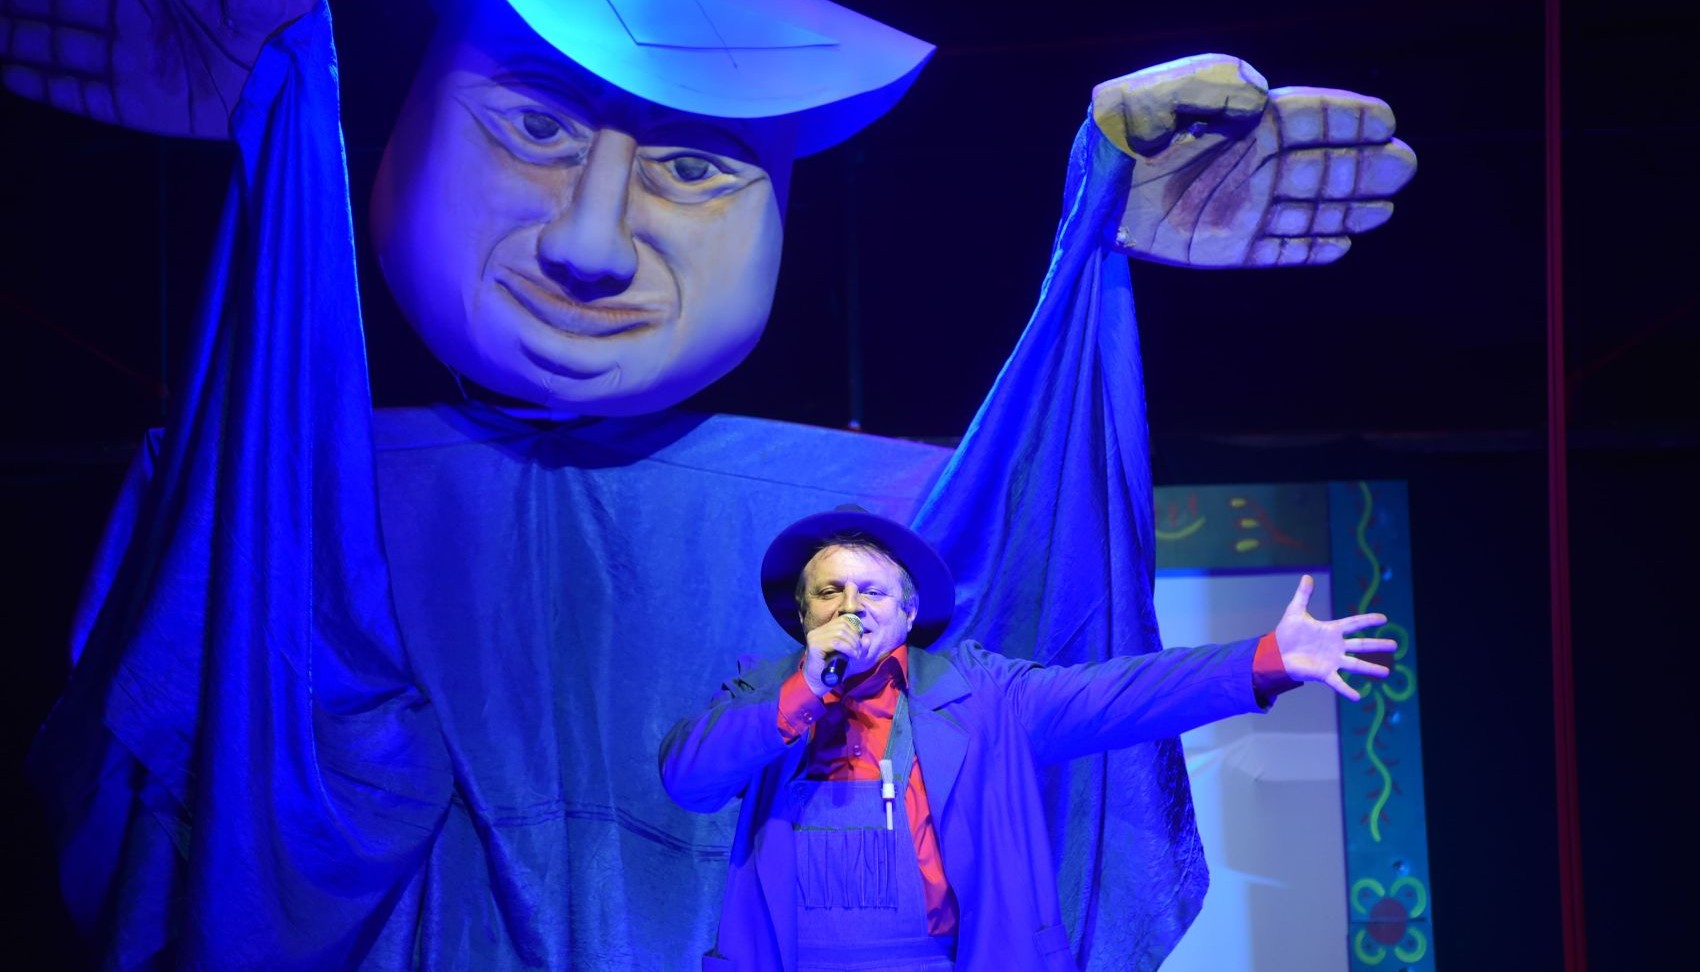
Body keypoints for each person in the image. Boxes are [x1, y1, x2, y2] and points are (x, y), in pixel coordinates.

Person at [660, 506, 1396, 971]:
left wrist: (1266, 659)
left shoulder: (985, 694)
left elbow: (1120, 694)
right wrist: (803, 690)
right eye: (829, 591)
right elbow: (689, 782)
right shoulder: (760, 695)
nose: (850, 606)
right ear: (803, 615)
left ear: (907, 614)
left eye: (872, 591)